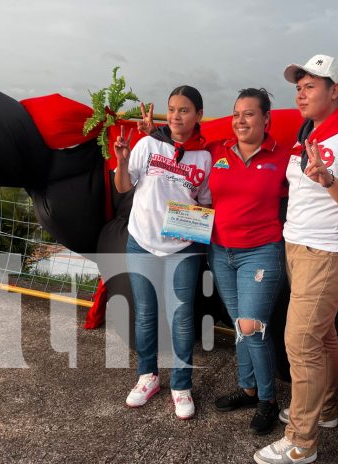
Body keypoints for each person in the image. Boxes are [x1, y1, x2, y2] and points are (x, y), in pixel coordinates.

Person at [255, 55, 338, 463]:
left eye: (311, 86)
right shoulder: (308, 134)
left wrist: (329, 180)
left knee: (301, 343)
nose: (301, 93)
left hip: (327, 253)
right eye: (299, 86)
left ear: (336, 90)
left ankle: (301, 443)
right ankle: (324, 409)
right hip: (299, 249)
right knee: (323, 336)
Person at [113, 85, 212, 420]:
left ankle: (181, 385)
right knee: (144, 312)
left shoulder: (206, 156)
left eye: (183, 110)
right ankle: (148, 377)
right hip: (141, 240)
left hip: (183, 246)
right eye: (171, 110)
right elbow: (124, 186)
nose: (175, 116)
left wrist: (197, 224)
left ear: (198, 114)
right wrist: (122, 163)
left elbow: (207, 201)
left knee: (181, 316)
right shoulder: (148, 144)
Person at [207, 88, 290, 435]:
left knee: (252, 329)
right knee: (239, 324)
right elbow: (179, 146)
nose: (241, 120)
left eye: (250, 114)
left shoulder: (284, 157)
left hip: (261, 252)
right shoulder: (217, 152)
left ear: (266, 119)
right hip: (220, 251)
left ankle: (268, 401)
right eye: (236, 113)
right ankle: (248, 389)